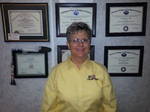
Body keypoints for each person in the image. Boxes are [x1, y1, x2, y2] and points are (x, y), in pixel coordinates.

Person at [41, 22, 117, 112]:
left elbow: (109, 106)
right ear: (68, 44)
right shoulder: (56, 72)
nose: (80, 44)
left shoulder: (101, 70)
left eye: (84, 40)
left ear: (89, 44)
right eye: (75, 40)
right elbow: (49, 108)